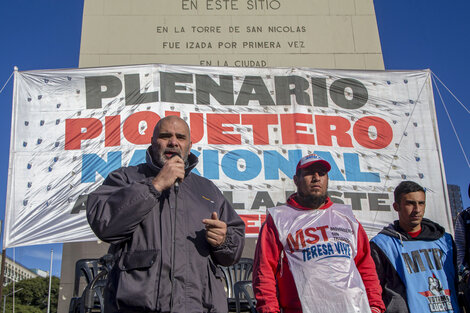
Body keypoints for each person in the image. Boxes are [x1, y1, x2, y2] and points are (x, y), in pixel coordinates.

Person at [87, 116, 246, 313]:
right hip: (135, 307)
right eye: (165, 136)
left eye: (180, 137)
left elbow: (233, 252)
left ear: (189, 145)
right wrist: (155, 186)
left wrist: (223, 241)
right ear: (153, 143)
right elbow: (104, 223)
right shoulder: (125, 178)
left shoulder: (208, 190)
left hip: (199, 307)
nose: (173, 142)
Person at [252, 153, 385, 313]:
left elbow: (365, 266)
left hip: (354, 308)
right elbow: (264, 271)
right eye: (309, 173)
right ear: (296, 180)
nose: (316, 178)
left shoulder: (346, 217)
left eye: (321, 173)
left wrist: (375, 306)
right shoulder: (279, 219)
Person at [370, 181, 460, 313]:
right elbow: (374, 290)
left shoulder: (445, 240)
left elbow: (456, 282)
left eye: (421, 203)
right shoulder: (381, 245)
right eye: (410, 203)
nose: (417, 209)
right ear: (396, 206)